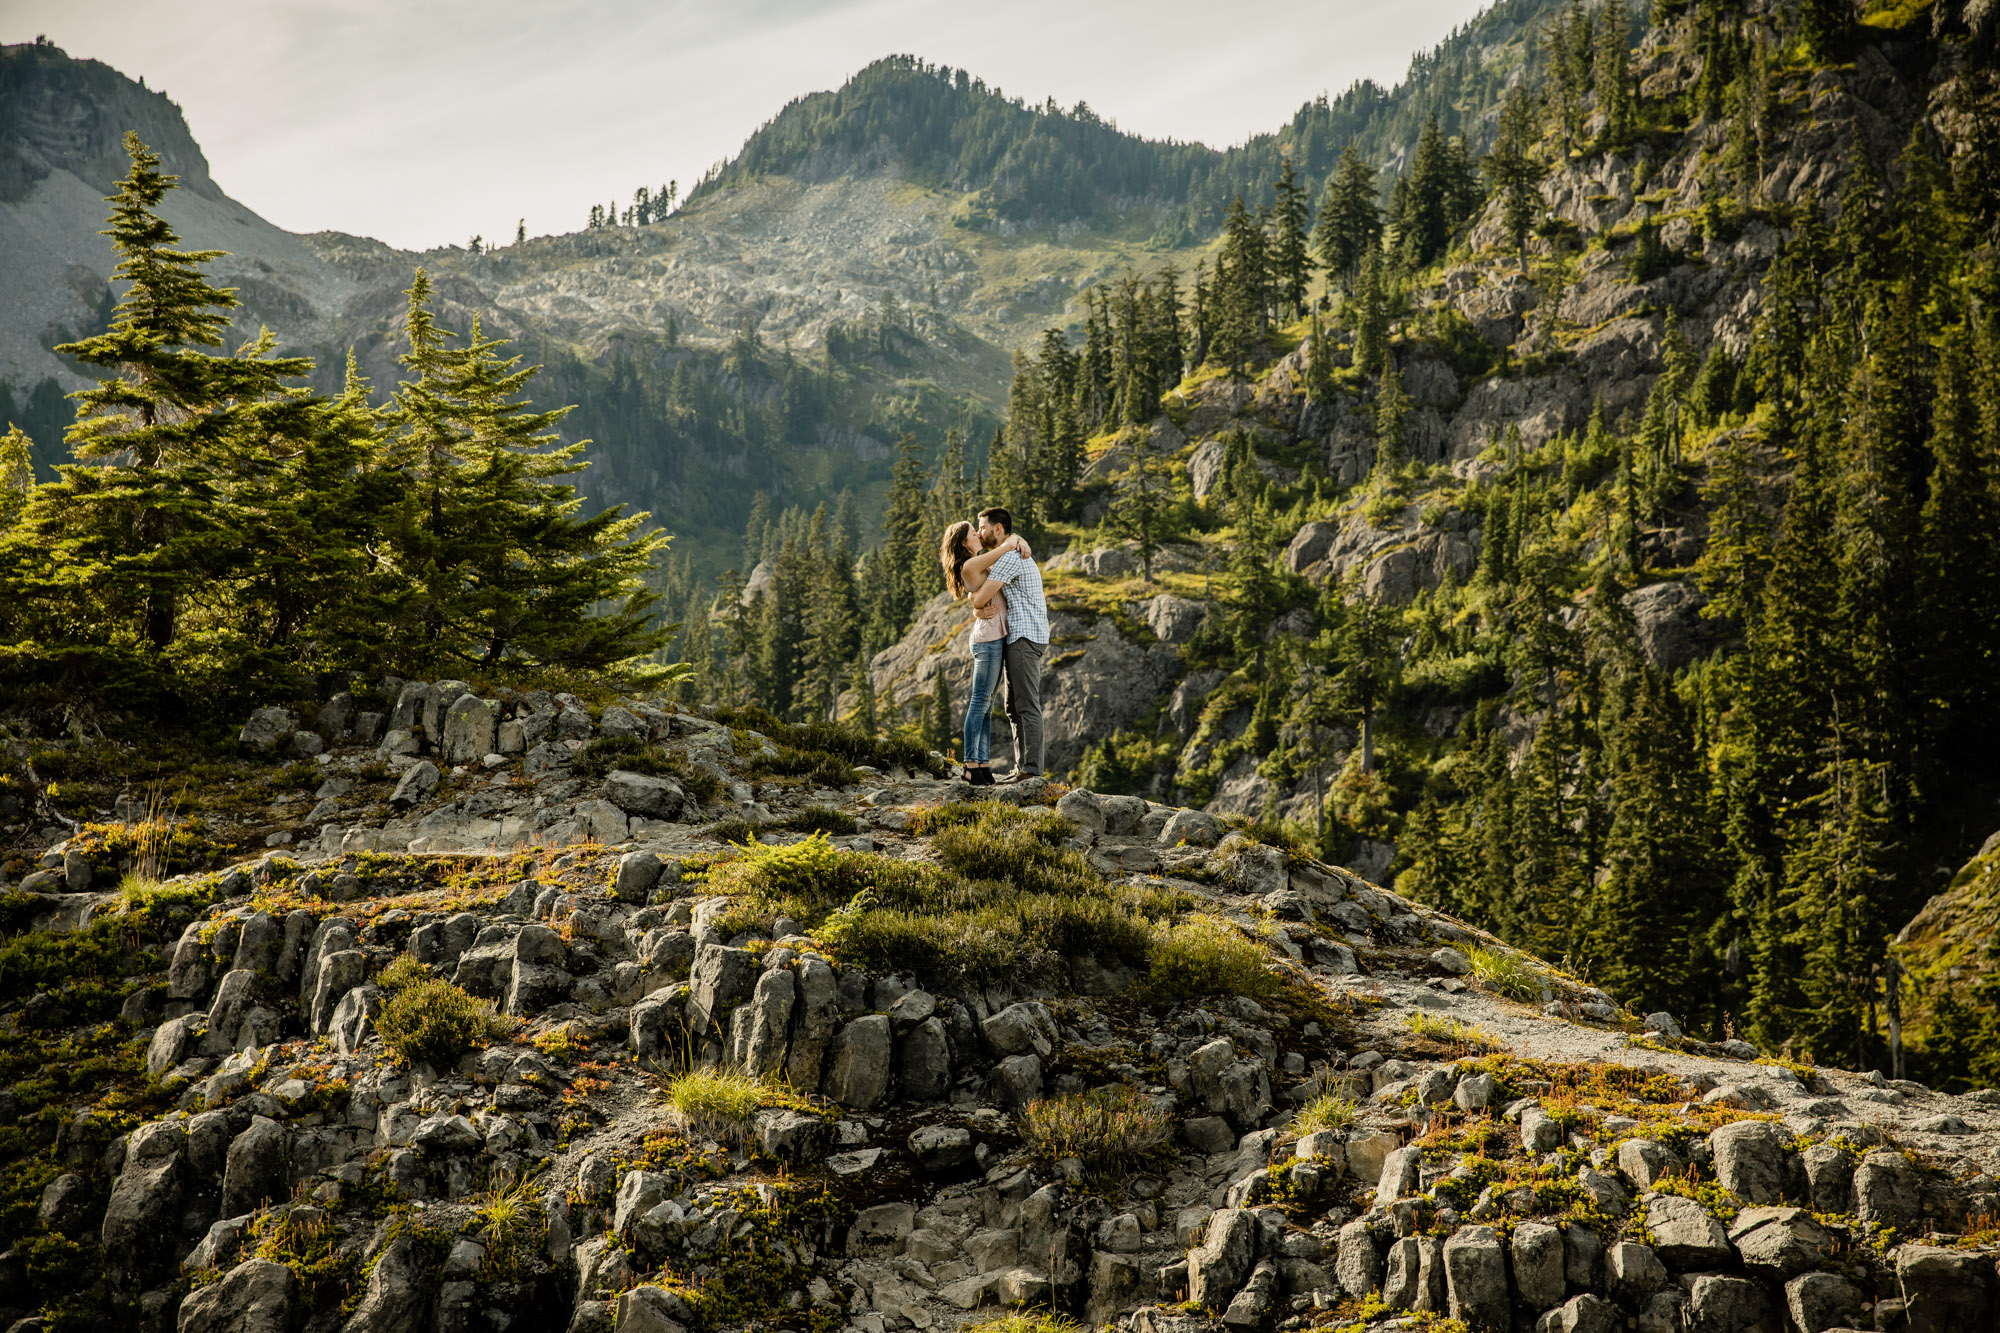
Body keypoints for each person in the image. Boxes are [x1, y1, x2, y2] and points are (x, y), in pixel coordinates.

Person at [960, 506, 1048, 783]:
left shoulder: (1010, 557)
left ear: (998, 529)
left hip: (1024, 636)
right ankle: (1022, 767)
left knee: (1026, 705)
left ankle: (1031, 770)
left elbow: (981, 597)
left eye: (983, 527)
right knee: (1013, 705)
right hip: (1020, 636)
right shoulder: (1010, 550)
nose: (980, 532)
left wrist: (975, 607)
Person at [938, 519, 1024, 786]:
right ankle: (970, 764)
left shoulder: (975, 562)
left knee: (986, 705)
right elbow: (1000, 552)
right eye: (974, 533)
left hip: (993, 637)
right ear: (964, 542)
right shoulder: (970, 563)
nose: (978, 534)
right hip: (987, 640)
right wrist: (1012, 541)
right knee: (979, 702)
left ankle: (983, 764)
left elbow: (980, 593)